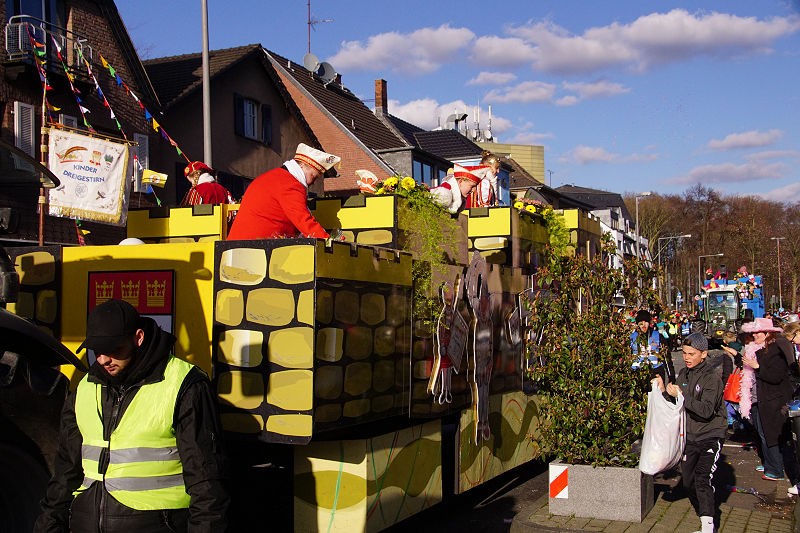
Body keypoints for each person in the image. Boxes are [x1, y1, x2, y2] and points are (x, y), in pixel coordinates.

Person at [34, 299, 229, 532]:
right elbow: (66, 471)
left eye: (113, 349)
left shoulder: (185, 384)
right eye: (97, 350)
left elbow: (206, 481)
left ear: (138, 338)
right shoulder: (85, 387)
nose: (103, 360)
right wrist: (48, 526)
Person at [656, 333, 727, 533]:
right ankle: (704, 513)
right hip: (690, 436)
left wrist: (682, 394)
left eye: (691, 354)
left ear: (703, 354)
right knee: (688, 483)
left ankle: (708, 526)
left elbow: (706, 410)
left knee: (702, 479)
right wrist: (663, 391)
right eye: (685, 353)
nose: (687, 357)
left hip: (710, 435)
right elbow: (677, 403)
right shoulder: (683, 374)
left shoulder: (711, 378)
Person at [227, 143, 340, 240]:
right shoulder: (290, 184)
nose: (312, 182)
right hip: (253, 250)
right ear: (302, 165)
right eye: (313, 176)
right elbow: (303, 221)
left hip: (240, 247)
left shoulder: (275, 177)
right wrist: (329, 242)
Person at [740, 317, 800, 488]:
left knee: (773, 434)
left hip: (774, 400)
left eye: (758, 333)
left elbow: (776, 376)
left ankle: (776, 468)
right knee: (763, 433)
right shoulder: (760, 349)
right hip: (762, 399)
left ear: (767, 333)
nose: (754, 336)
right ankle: (770, 464)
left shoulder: (776, 349)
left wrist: (757, 367)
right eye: (753, 333)